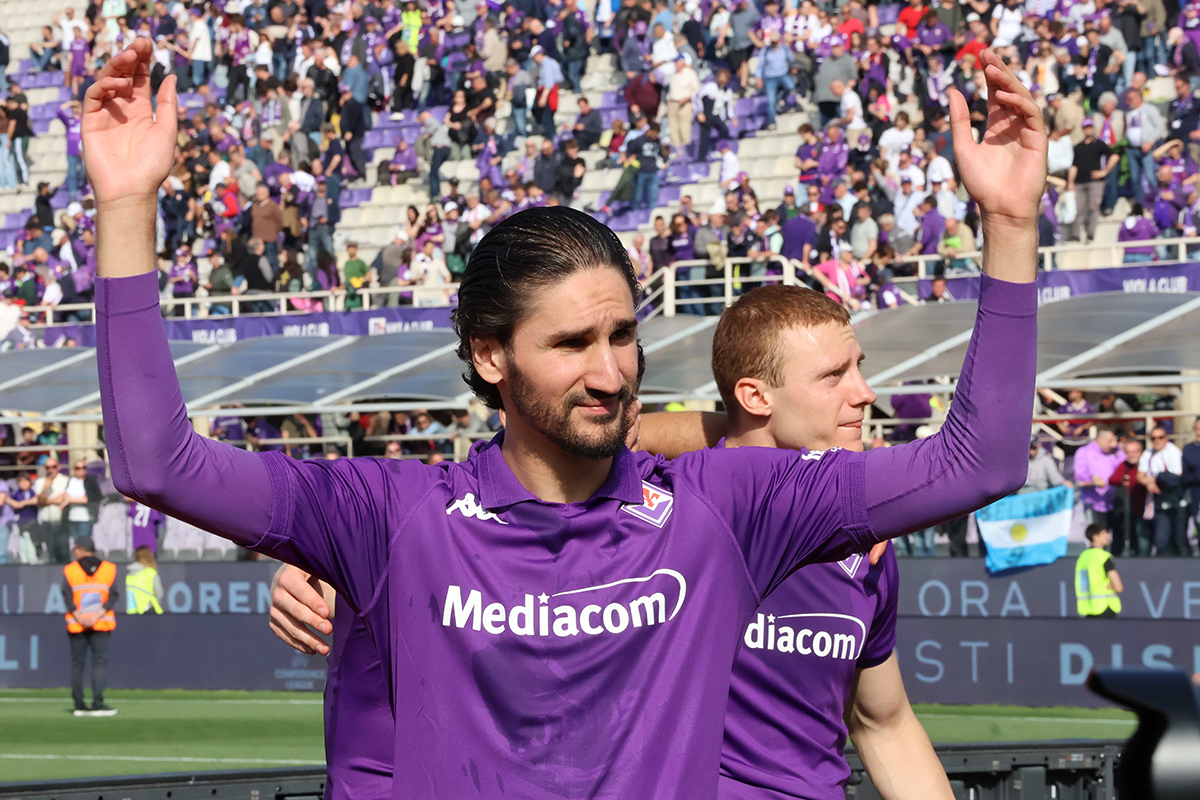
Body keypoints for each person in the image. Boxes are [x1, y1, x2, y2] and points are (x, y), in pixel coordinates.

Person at [84, 40, 1042, 798]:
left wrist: (1009, 224)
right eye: (572, 343)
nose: (611, 371)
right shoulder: (394, 514)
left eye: (623, 335)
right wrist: (126, 204)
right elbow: (158, 463)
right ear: (490, 356)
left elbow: (980, 462)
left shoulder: (726, 507)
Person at [64, 535, 119, 716]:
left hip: (77, 624)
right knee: (99, 664)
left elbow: (67, 596)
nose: (74, 552)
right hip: (101, 622)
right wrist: (96, 615)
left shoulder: (70, 570)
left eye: (75, 548)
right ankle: (98, 703)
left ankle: (79, 705)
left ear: (81, 549)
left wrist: (79, 616)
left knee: (77, 665)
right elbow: (113, 596)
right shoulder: (109, 569)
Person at [1139, 426, 1188, 556]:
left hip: (1176, 500)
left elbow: (1177, 476)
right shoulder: (1148, 453)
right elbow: (1140, 475)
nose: (1157, 440)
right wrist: (1148, 482)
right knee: (1161, 540)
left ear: (1166, 438)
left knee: (1179, 538)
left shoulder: (1173, 452)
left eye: (1160, 437)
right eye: (1153, 438)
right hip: (1159, 501)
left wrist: (1155, 479)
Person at [1073, 428, 1124, 535]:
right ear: (1101, 439)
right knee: (1097, 536)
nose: (1113, 444)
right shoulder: (1084, 452)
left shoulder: (1116, 451)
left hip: (1114, 502)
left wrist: (1121, 451)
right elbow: (1079, 476)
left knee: (1116, 536)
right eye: (1110, 441)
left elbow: (1124, 466)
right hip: (1093, 503)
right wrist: (1093, 480)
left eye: (1114, 440)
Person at [1109, 438, 1148, 557]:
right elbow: (1112, 479)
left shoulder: (1147, 464)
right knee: (1128, 538)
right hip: (1129, 511)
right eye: (1128, 452)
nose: (1132, 455)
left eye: (1134, 451)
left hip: (1146, 510)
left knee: (1143, 541)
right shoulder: (1125, 465)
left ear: (1141, 452)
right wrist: (1122, 480)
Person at [1074, 524, 1124, 618]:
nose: (1108, 536)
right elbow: (1119, 587)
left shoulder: (1082, 557)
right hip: (1105, 607)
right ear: (1095, 537)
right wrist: (1112, 586)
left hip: (1087, 608)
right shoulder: (1103, 556)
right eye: (1104, 533)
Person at [34, 457, 70, 563]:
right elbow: (39, 500)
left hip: (61, 521)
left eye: (53, 467)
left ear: (58, 467)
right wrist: (47, 485)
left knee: (63, 550)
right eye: (48, 467)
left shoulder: (65, 480)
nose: (51, 470)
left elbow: (63, 498)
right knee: (50, 550)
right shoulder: (40, 482)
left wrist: (47, 501)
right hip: (46, 521)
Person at [125, 545, 164, 614]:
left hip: (133, 612)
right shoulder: (151, 573)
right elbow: (159, 594)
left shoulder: (129, 576)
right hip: (149, 610)